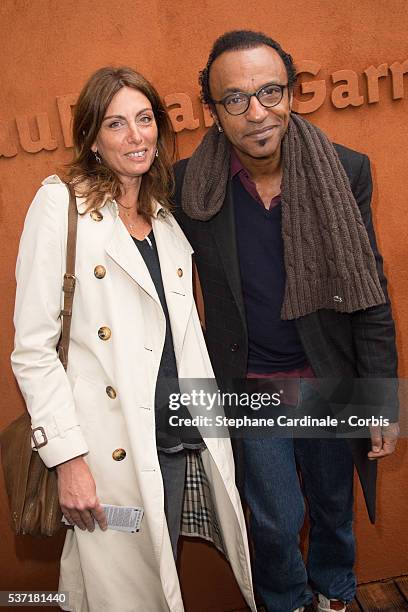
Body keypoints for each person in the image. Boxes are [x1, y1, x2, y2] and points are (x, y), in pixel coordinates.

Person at [11, 66, 256, 612]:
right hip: (105, 458)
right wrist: (68, 461)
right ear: (92, 138)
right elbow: (32, 347)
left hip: (173, 440)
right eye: (116, 124)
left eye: (144, 119)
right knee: (121, 592)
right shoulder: (61, 205)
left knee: (157, 572)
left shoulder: (165, 218)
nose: (136, 135)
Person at [172, 31, 399, 612]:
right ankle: (287, 602)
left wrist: (380, 398)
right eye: (236, 99)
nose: (257, 112)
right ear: (213, 112)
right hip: (249, 385)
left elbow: (370, 294)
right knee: (274, 518)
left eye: (270, 91)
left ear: (292, 94)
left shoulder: (346, 170)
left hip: (326, 377)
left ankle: (336, 593)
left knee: (332, 507)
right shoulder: (186, 187)